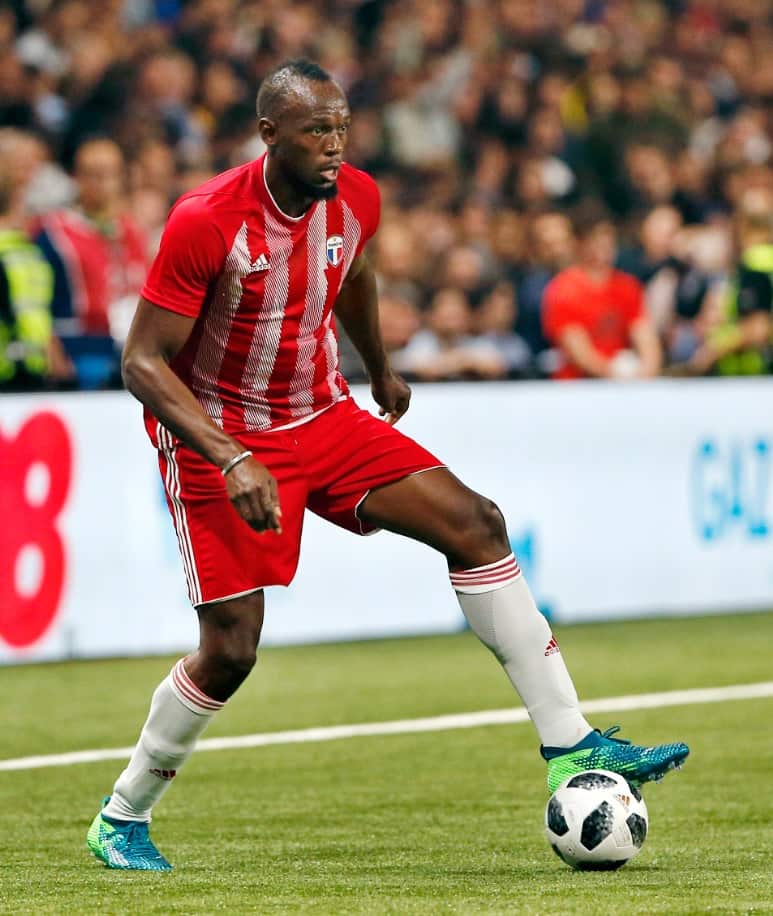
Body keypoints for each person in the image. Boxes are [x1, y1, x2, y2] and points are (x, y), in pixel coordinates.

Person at [86, 60, 689, 872]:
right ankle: (122, 816)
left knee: (477, 525)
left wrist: (379, 365)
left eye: (341, 127)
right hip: (223, 435)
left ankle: (573, 746)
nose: (334, 146)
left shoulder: (355, 196)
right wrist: (229, 458)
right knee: (231, 650)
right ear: (269, 136)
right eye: (315, 132)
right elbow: (142, 364)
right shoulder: (206, 220)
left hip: (325, 413)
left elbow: (355, 268)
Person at [34, 138, 149, 388]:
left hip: (130, 350)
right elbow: (36, 299)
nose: (102, 184)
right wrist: (50, 347)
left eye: (110, 174)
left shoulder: (133, 231)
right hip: (78, 350)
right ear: (76, 178)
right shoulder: (53, 233)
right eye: (93, 174)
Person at [542, 208, 663, 380]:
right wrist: (614, 373)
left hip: (622, 384)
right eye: (596, 238)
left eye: (608, 237)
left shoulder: (627, 286)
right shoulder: (563, 289)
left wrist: (647, 371)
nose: (604, 244)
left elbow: (644, 334)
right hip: (580, 385)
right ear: (580, 242)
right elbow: (577, 350)